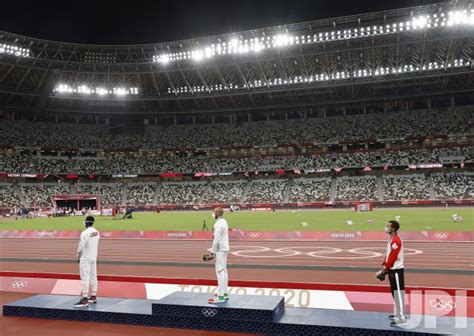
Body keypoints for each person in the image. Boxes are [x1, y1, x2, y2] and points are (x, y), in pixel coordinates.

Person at [379, 220, 406, 326]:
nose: (385, 227)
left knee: (398, 294)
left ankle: (401, 318)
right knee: (395, 293)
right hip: (392, 270)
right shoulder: (392, 239)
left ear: (393, 228)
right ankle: (398, 313)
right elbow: (389, 254)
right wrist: (384, 264)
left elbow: (393, 257)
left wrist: (385, 269)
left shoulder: (396, 241)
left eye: (388, 226)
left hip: (396, 271)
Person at [74, 216, 100, 308]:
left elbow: (81, 246)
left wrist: (78, 255)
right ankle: (93, 296)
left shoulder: (84, 233)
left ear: (86, 222)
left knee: (85, 277)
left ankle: (84, 299)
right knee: (93, 276)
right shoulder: (97, 232)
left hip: (85, 257)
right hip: (94, 257)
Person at [208, 207, 230, 304]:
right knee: (224, 271)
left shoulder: (217, 224)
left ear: (216, 214)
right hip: (224, 248)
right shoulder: (224, 221)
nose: (213, 214)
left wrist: (212, 251)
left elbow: (216, 239)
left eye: (213, 213)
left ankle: (220, 297)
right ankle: (224, 293)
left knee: (220, 272)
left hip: (220, 250)